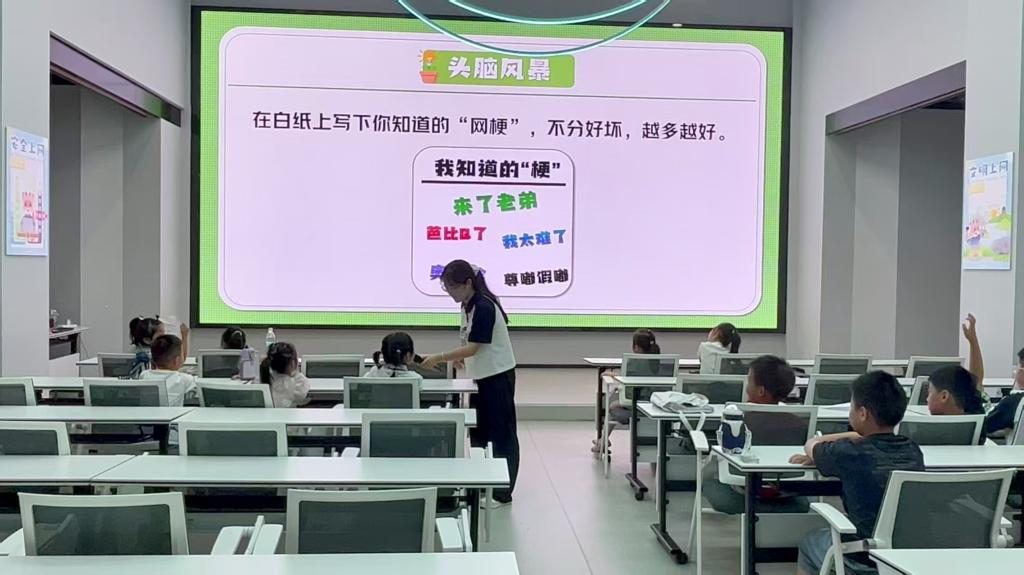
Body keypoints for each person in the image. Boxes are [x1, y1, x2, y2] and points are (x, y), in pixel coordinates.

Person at [790, 371, 925, 575]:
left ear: (862, 413)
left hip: (863, 555)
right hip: (906, 556)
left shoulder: (849, 452)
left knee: (810, 542)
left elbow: (811, 445)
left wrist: (823, 444)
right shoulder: (913, 450)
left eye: (851, 406)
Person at [420, 260, 519, 506]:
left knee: (501, 435)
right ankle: (483, 484)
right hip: (480, 378)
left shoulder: (484, 306)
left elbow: (474, 347)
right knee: (480, 433)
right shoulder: (467, 305)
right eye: (446, 288)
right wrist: (460, 358)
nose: (450, 293)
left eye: (452, 287)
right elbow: (468, 340)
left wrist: (440, 357)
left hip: (497, 377)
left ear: (467, 283)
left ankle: (502, 493)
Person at [703, 355, 808, 514]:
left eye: (749, 381)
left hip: (740, 492)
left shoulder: (737, 421)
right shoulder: (800, 423)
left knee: (709, 476)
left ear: (761, 391)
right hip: (787, 492)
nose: (746, 387)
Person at [590, 329, 661, 453]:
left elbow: (628, 382)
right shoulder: (659, 361)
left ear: (636, 347)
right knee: (615, 398)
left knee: (612, 405)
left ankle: (602, 442)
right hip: (657, 405)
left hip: (640, 407)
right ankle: (602, 441)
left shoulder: (635, 362)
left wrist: (612, 375)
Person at [139, 335, 197, 407]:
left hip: (148, 414)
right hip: (174, 414)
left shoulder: (144, 375)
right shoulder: (184, 379)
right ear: (176, 360)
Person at [260, 342, 309, 408]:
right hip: (288, 414)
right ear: (292, 363)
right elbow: (302, 397)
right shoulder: (297, 381)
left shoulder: (266, 376)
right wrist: (295, 373)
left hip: (268, 414)